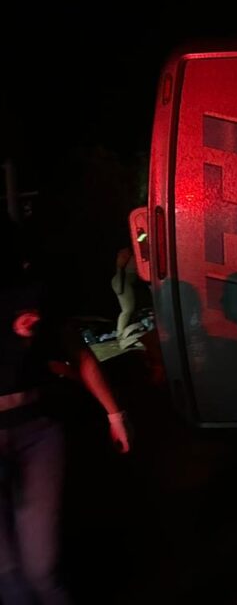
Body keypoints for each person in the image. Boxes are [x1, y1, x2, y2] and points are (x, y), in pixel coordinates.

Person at [0, 223, 131, 604]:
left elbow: (78, 354)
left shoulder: (33, 291)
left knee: (43, 571)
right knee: (9, 578)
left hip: (36, 433)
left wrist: (115, 415)